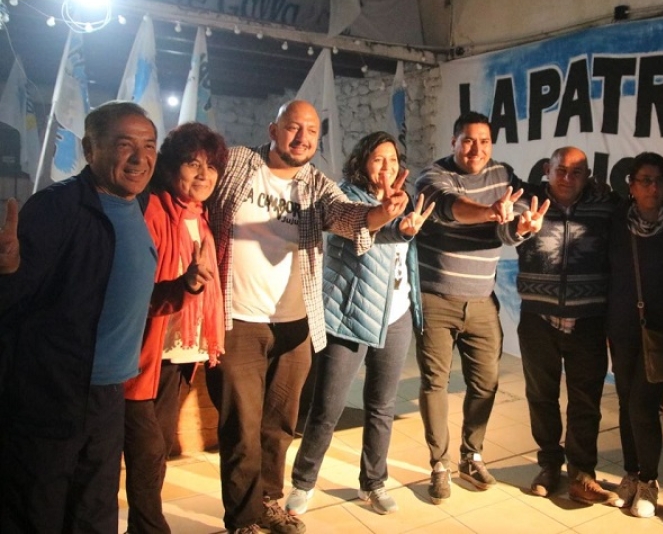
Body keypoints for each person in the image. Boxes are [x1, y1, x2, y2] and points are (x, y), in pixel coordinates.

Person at [205, 100, 408, 534]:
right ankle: (242, 520)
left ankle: (268, 503)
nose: (302, 138)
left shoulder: (316, 185)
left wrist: (383, 213)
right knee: (241, 428)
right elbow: (198, 192)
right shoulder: (238, 163)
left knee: (279, 425)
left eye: (311, 131)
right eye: (293, 128)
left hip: (296, 325)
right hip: (237, 319)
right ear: (273, 129)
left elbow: (348, 216)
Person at [0, 101, 159, 533]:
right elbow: (12, 302)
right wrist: (7, 271)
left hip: (108, 392)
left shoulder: (138, 203)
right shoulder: (57, 208)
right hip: (52, 394)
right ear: (90, 149)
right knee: (38, 510)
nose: (139, 158)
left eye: (149, 145)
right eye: (124, 145)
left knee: (95, 510)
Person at [285, 131, 434, 516]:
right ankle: (303, 482)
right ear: (362, 162)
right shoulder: (343, 198)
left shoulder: (402, 199)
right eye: (378, 159)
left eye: (393, 159)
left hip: (396, 315)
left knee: (382, 405)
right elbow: (357, 235)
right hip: (348, 315)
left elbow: (403, 256)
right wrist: (395, 226)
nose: (387, 167)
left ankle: (374, 481)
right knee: (327, 407)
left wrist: (404, 225)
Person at [414, 111, 547, 504]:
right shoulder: (433, 176)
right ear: (454, 141)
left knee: (486, 383)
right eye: (468, 140)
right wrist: (490, 211)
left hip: (482, 300)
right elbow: (449, 207)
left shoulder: (502, 175)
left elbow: (506, 231)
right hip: (436, 298)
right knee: (435, 383)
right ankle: (439, 465)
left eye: (484, 141)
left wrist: (522, 228)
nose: (477, 149)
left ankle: (471, 456)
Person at [123, 122, 228, 534]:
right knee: (146, 448)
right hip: (144, 352)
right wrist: (187, 284)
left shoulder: (201, 217)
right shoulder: (151, 209)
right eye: (192, 163)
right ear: (171, 167)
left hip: (179, 353)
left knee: (157, 448)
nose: (203, 174)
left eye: (211, 167)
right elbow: (136, 290)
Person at [513, 146, 616, 504]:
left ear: (588, 176)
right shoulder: (526, 201)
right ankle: (548, 465)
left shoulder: (606, 205)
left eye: (576, 172)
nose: (567, 178)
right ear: (547, 168)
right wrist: (518, 228)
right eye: (561, 170)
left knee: (586, 401)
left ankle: (582, 474)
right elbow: (506, 233)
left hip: (588, 320)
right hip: (537, 318)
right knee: (541, 396)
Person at [607, 152, 663, 518]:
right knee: (626, 401)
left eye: (659, 180)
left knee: (643, 404)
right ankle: (630, 472)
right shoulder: (616, 222)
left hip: (661, 331)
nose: (653, 187)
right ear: (631, 185)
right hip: (622, 326)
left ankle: (649, 481)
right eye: (645, 180)